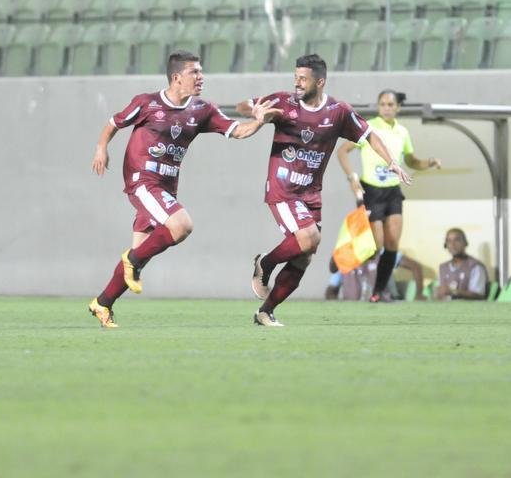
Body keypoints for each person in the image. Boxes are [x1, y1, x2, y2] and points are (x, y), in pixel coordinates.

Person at [87, 51, 279, 329]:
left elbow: (238, 131)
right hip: (142, 181)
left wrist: (260, 121)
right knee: (181, 225)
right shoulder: (146, 102)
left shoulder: (203, 110)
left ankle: (102, 303)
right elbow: (113, 123)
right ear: (177, 77)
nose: (201, 77)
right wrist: (101, 147)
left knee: (142, 251)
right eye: (195, 72)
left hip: (166, 188)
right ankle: (132, 261)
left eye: (201, 72)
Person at [237, 54, 413, 327]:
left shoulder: (338, 112)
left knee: (305, 257)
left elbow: (369, 136)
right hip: (283, 187)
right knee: (308, 237)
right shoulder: (283, 102)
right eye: (295, 77)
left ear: (320, 81)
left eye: (303, 79)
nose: (297, 83)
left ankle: (266, 311)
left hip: (311, 194)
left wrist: (391, 161)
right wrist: (256, 111)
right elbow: (243, 106)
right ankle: (265, 265)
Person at [334, 89, 442, 302]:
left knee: (392, 243)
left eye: (390, 105)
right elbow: (342, 151)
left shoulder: (402, 132)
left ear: (398, 107)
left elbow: (411, 161)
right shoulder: (369, 127)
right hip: (371, 190)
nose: (386, 108)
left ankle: (378, 292)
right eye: (382, 104)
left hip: (392, 191)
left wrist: (429, 162)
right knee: (377, 243)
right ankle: (341, 255)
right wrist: (352, 178)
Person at [434, 228, 488, 300]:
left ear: (465, 243)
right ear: (446, 245)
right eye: (449, 241)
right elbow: (439, 293)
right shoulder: (443, 267)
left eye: (457, 240)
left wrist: (453, 292)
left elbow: (478, 295)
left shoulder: (475, 266)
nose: (452, 244)